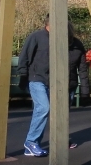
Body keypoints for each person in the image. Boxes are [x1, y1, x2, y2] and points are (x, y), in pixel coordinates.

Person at [17, 19, 84, 156]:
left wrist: (84, 90)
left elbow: (74, 63)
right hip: (37, 78)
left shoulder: (65, 40)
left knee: (61, 112)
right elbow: (25, 56)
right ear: (49, 24)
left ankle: (60, 139)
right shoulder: (36, 37)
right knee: (43, 107)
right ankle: (31, 142)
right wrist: (23, 75)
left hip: (57, 81)